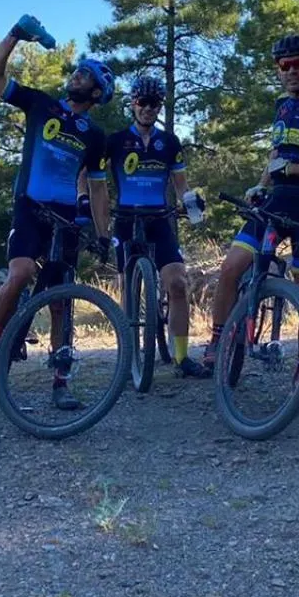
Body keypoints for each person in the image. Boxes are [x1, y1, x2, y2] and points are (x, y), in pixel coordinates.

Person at [0, 16, 113, 411]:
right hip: (30, 205)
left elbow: (99, 187)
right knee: (19, 273)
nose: (76, 75)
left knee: (59, 302)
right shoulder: (42, 104)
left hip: (66, 217)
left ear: (97, 91)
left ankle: (61, 380)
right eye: (77, 71)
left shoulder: (95, 135)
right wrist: (15, 36)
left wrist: (103, 234)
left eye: (85, 74)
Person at [204, 34, 299, 368]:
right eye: (283, 66)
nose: (290, 71)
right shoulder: (281, 106)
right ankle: (218, 338)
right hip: (277, 198)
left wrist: (295, 168)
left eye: (297, 64)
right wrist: (261, 184)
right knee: (231, 267)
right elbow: (277, 153)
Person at [105, 74, 211, 379]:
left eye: (154, 103)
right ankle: (128, 356)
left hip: (160, 220)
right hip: (126, 219)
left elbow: (181, 184)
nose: (148, 109)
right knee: (127, 288)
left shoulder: (169, 142)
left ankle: (181, 358)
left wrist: (192, 207)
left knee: (178, 284)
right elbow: (89, 173)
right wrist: (85, 200)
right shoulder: (116, 141)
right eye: (143, 102)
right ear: (133, 104)